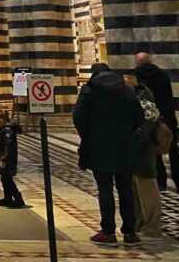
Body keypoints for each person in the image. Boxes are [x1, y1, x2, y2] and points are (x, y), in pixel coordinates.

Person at [73, 63, 144, 248]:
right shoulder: (127, 90)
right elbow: (139, 117)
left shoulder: (90, 90)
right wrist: (130, 137)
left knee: (105, 190)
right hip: (124, 147)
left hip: (99, 148)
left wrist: (88, 136)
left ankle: (108, 232)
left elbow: (78, 115)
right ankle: (130, 233)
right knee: (125, 190)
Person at [134, 52, 179, 194]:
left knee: (155, 151)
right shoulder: (162, 74)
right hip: (168, 117)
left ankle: (161, 182)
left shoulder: (137, 77)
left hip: (150, 119)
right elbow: (169, 96)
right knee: (173, 150)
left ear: (137, 62)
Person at [123, 73, 163, 241]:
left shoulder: (144, 104)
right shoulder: (136, 101)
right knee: (135, 191)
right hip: (135, 153)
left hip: (143, 153)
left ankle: (152, 228)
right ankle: (139, 224)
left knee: (147, 192)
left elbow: (144, 131)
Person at [0, 110, 24, 208]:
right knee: (4, 178)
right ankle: (7, 197)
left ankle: (18, 199)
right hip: (5, 157)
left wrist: (3, 159)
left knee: (7, 179)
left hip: (8, 159)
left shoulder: (7, 130)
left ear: (0, 120)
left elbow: (8, 146)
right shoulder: (4, 128)